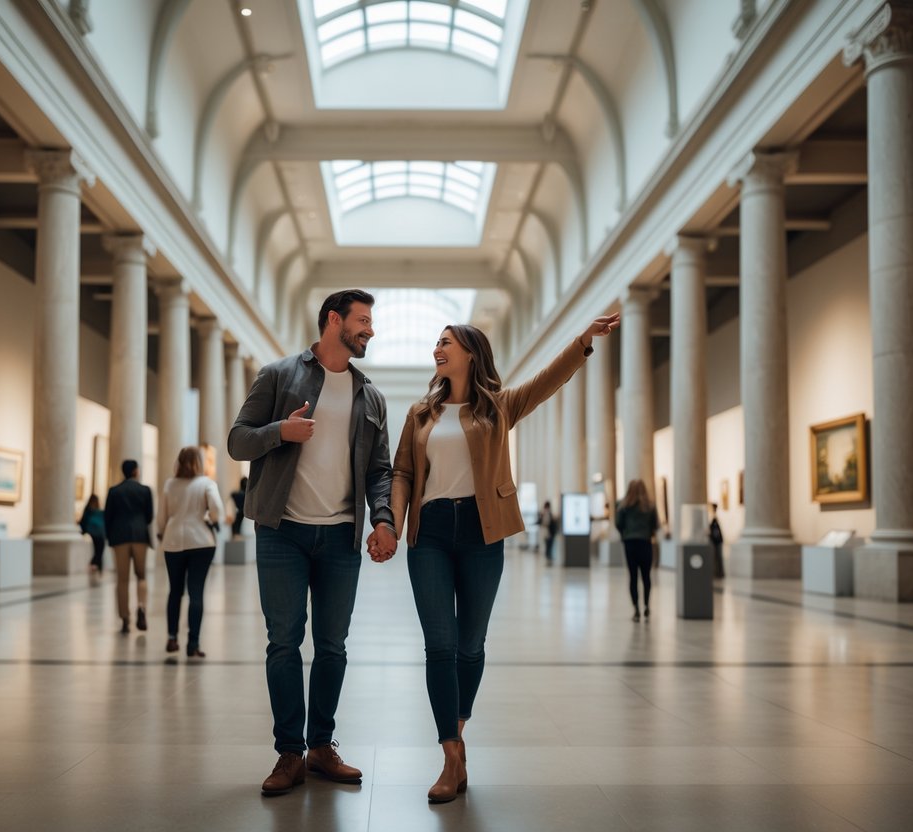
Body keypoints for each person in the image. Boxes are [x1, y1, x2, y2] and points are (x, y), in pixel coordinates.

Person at [386, 313, 620, 803]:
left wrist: (582, 341)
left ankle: (458, 730)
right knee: (440, 645)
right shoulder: (420, 413)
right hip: (429, 535)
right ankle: (451, 754)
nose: (437, 348)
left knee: (471, 644)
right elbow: (403, 471)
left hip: (481, 530)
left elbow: (548, 381)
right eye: (436, 342)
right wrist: (392, 524)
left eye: (446, 342)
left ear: (471, 352)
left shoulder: (498, 407)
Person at [228, 289, 397, 797]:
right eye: (363, 321)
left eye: (371, 322)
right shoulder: (280, 375)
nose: (370, 330)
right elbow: (238, 440)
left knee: (332, 646)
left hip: (341, 537)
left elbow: (380, 472)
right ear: (333, 320)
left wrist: (383, 520)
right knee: (283, 642)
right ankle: (289, 753)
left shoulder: (371, 396)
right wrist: (281, 430)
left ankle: (322, 746)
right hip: (282, 531)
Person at [156, 446, 225, 658]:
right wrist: (213, 521)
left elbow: (162, 516)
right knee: (196, 592)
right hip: (201, 542)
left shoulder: (170, 484)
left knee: (175, 590)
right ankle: (193, 643)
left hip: (173, 541)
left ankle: (172, 637)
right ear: (199, 462)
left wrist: (161, 532)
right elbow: (217, 510)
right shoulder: (206, 483)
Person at [104, 459, 154, 634]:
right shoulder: (145, 490)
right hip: (140, 536)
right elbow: (149, 516)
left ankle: (125, 617)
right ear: (135, 471)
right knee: (141, 576)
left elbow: (107, 517)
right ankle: (141, 607)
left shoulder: (114, 491)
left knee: (122, 579)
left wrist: (110, 537)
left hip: (120, 538)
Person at [615, 479, 659, 623]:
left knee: (633, 576)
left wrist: (625, 534)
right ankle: (646, 605)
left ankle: (636, 610)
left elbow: (618, 523)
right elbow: (655, 524)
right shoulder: (650, 506)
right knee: (646, 576)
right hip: (645, 542)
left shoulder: (623, 505)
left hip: (630, 543)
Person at [79, 494, 106, 574]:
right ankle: (96, 565)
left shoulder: (90, 511)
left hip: (96, 533)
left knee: (98, 549)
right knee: (99, 549)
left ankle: (97, 565)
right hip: (98, 534)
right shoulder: (94, 511)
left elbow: (83, 522)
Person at [709, 502, 724, 579]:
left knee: (719, 557)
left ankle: (720, 573)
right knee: (714, 557)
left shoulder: (716, 518)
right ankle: (715, 572)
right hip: (714, 541)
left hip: (718, 541)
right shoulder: (712, 518)